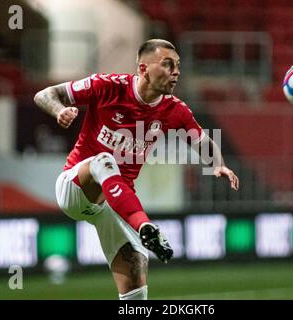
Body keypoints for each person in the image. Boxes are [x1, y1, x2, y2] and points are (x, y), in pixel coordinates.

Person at [34, 39, 239, 300]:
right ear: (143, 69)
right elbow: (44, 95)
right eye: (167, 64)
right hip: (75, 187)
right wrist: (59, 110)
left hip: (111, 205)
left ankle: (141, 243)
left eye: (177, 66)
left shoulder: (174, 110)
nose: (175, 71)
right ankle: (145, 227)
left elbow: (201, 141)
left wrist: (219, 164)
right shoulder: (108, 86)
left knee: (136, 270)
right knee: (104, 161)